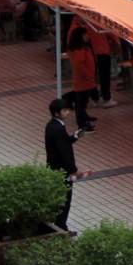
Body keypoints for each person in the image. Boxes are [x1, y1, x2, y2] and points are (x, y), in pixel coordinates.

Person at [44, 97, 86, 228]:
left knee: (59, 197)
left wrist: (74, 137)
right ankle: (61, 225)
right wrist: (73, 169)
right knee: (65, 198)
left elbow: (63, 143)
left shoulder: (52, 125)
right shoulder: (58, 129)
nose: (68, 112)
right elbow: (64, 152)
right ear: (57, 113)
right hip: (62, 171)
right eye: (64, 110)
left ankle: (59, 222)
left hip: (54, 168)